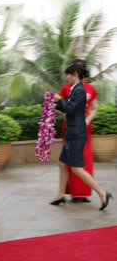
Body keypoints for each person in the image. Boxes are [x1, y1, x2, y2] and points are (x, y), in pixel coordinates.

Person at [51, 63, 111, 210]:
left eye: (69, 74)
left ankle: (103, 194)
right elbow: (68, 109)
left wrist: (59, 100)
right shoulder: (75, 89)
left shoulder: (80, 91)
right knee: (62, 164)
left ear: (76, 74)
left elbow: (70, 110)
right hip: (72, 133)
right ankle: (60, 195)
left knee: (77, 169)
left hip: (76, 134)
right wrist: (55, 102)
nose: (67, 77)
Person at [58, 59, 98, 203]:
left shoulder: (90, 89)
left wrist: (87, 121)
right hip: (71, 128)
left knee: (85, 160)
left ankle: (84, 193)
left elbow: (95, 109)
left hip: (85, 129)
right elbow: (60, 108)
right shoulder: (66, 88)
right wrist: (67, 116)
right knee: (68, 162)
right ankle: (71, 192)